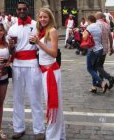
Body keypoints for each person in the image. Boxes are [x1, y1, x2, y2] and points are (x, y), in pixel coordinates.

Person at [8, 1, 45, 139]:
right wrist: (10, 48)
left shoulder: (36, 25)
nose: (22, 11)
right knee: (17, 99)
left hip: (32, 65)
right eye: (19, 9)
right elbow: (10, 50)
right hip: (17, 65)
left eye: (24, 9)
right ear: (16, 11)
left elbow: (42, 44)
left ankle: (39, 129)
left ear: (28, 9)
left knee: (35, 98)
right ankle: (18, 128)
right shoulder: (12, 29)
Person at [29, 8, 66, 140]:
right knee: (55, 104)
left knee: (52, 104)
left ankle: (52, 136)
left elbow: (54, 53)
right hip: (44, 71)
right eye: (40, 17)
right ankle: (59, 135)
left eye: (45, 17)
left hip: (51, 72)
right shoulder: (41, 32)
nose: (42, 19)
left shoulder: (52, 31)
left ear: (50, 18)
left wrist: (38, 42)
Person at [83, 15, 109, 93]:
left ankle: (102, 83)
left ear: (89, 20)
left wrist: (84, 32)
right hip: (100, 49)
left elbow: (84, 38)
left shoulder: (90, 27)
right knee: (94, 68)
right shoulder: (98, 27)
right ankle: (94, 86)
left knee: (89, 69)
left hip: (92, 50)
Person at [95, 12, 114, 90]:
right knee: (100, 65)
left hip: (97, 48)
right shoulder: (107, 25)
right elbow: (110, 37)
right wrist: (111, 47)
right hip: (105, 49)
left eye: (96, 16)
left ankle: (110, 78)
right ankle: (101, 82)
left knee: (97, 66)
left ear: (98, 17)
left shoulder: (96, 25)